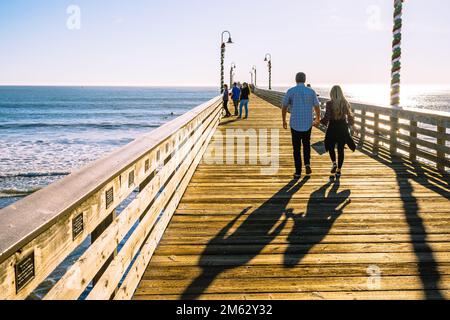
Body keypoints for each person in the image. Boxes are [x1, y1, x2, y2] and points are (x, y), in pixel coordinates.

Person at [282, 72, 321, 179]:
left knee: (296, 148)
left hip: (295, 123)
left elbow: (284, 106)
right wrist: (318, 118)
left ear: (296, 79)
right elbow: (317, 106)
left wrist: (284, 120)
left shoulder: (291, 91)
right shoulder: (311, 91)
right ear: (305, 79)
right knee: (306, 144)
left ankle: (298, 171)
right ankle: (307, 164)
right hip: (307, 123)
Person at [320, 85, 356, 178]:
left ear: (331, 93)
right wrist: (353, 126)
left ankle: (334, 163)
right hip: (342, 128)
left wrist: (318, 121)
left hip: (332, 127)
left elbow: (327, 117)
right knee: (340, 149)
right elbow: (350, 117)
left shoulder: (329, 103)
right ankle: (339, 170)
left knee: (330, 146)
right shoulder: (345, 103)